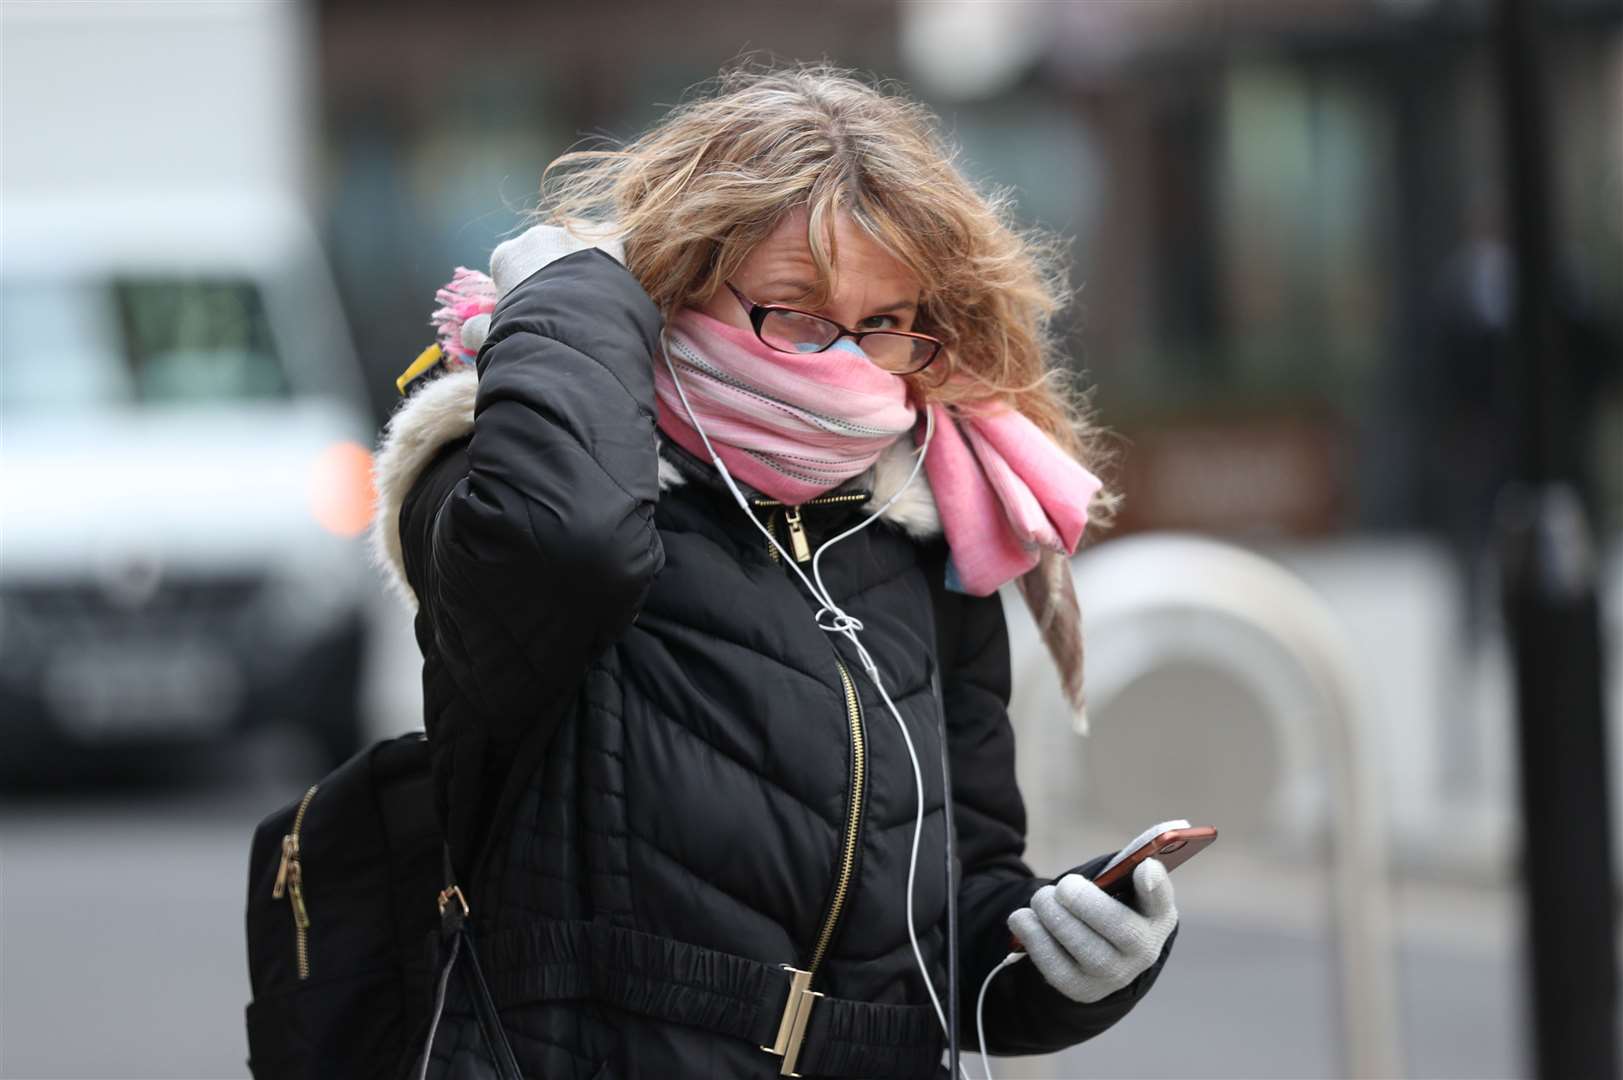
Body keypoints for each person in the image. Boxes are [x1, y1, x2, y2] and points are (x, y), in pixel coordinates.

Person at [370, 61, 1179, 1080]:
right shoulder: (502, 481)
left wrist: (1071, 966)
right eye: (795, 308)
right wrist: (572, 299)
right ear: (682, 278)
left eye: (883, 321)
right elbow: (566, 543)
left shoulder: (925, 521)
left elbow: (950, 941)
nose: (840, 360)